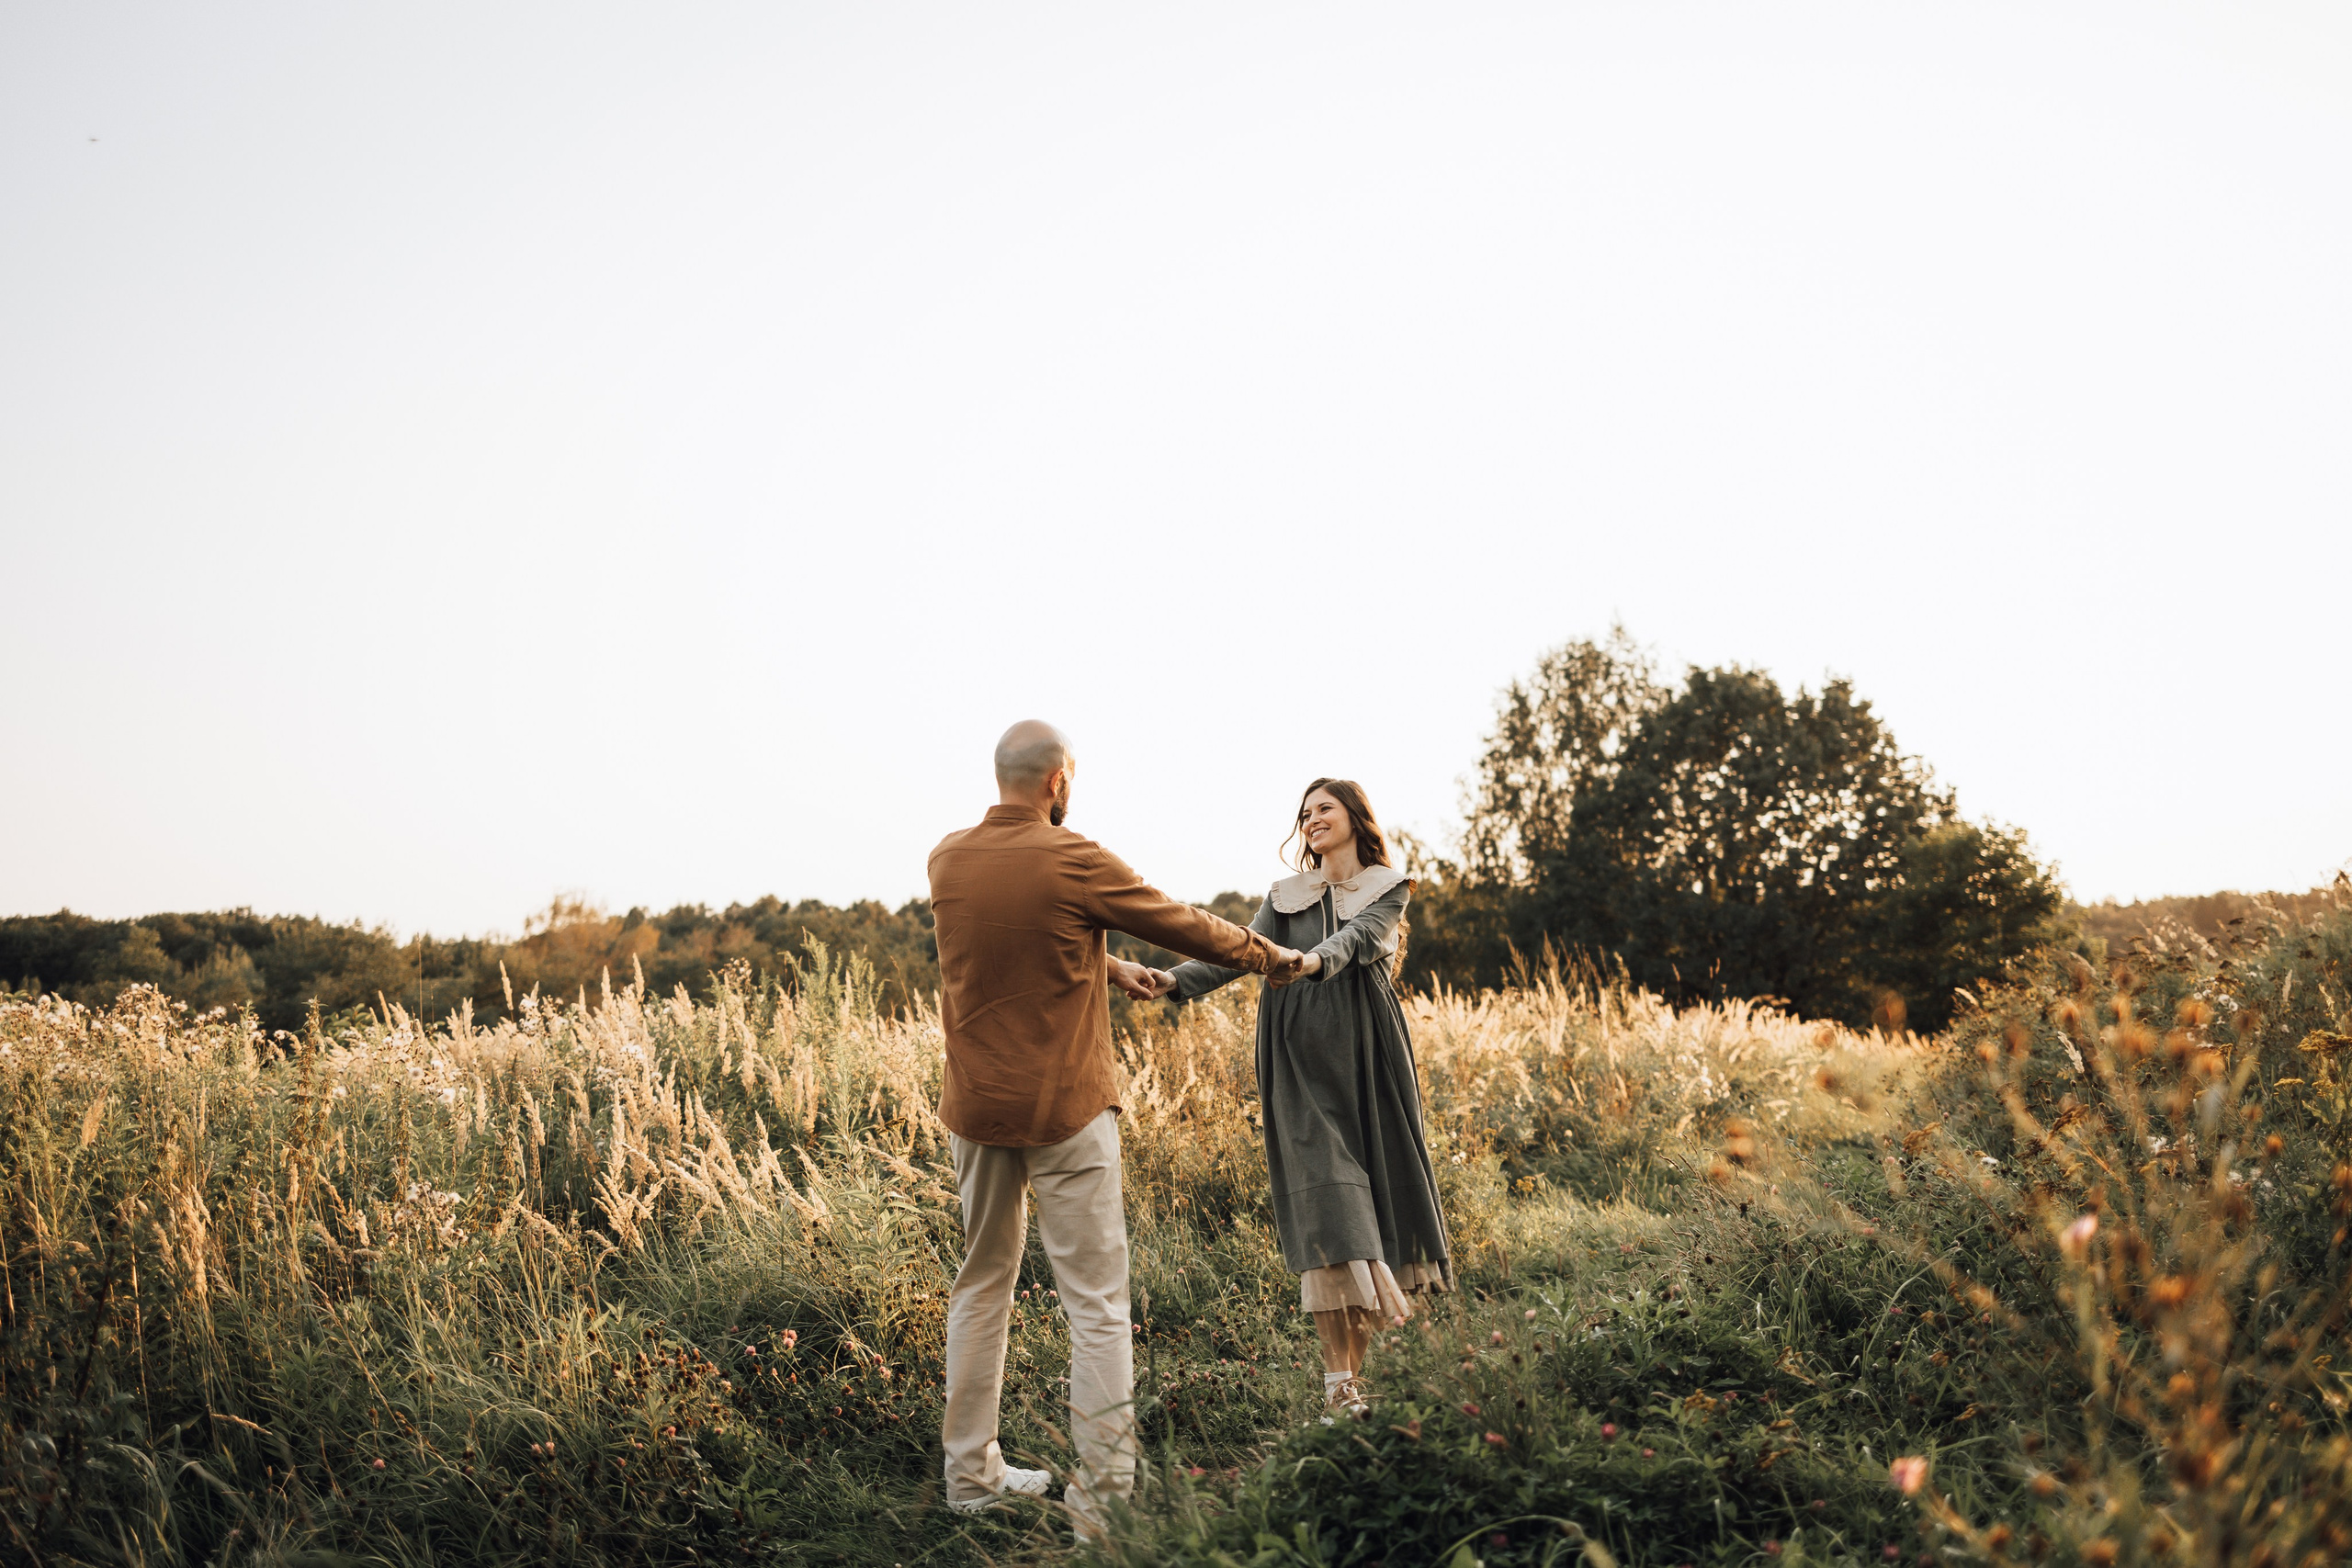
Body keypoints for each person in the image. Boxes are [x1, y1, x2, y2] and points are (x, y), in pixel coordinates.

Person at [928, 720, 1307, 1537]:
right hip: (1064, 1109)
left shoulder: (947, 860)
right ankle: (1102, 1505)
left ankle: (969, 1478)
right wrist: (1270, 955)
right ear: (1058, 780)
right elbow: (1182, 924)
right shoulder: (1075, 857)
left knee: (981, 1284)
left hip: (977, 1111)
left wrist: (1105, 962)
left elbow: (1011, 940)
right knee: (1096, 1304)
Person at [1143, 778, 1453, 1415]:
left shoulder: (1387, 887)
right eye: (1304, 813)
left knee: (1376, 1220)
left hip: (1370, 1061)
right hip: (1298, 1063)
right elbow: (1237, 952)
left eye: (1324, 809)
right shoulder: (1284, 897)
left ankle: (1349, 1386)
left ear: (1355, 817)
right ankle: (1338, 1384)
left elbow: (1359, 939)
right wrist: (1169, 980)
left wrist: (1309, 961)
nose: (1311, 820)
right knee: (1332, 1212)